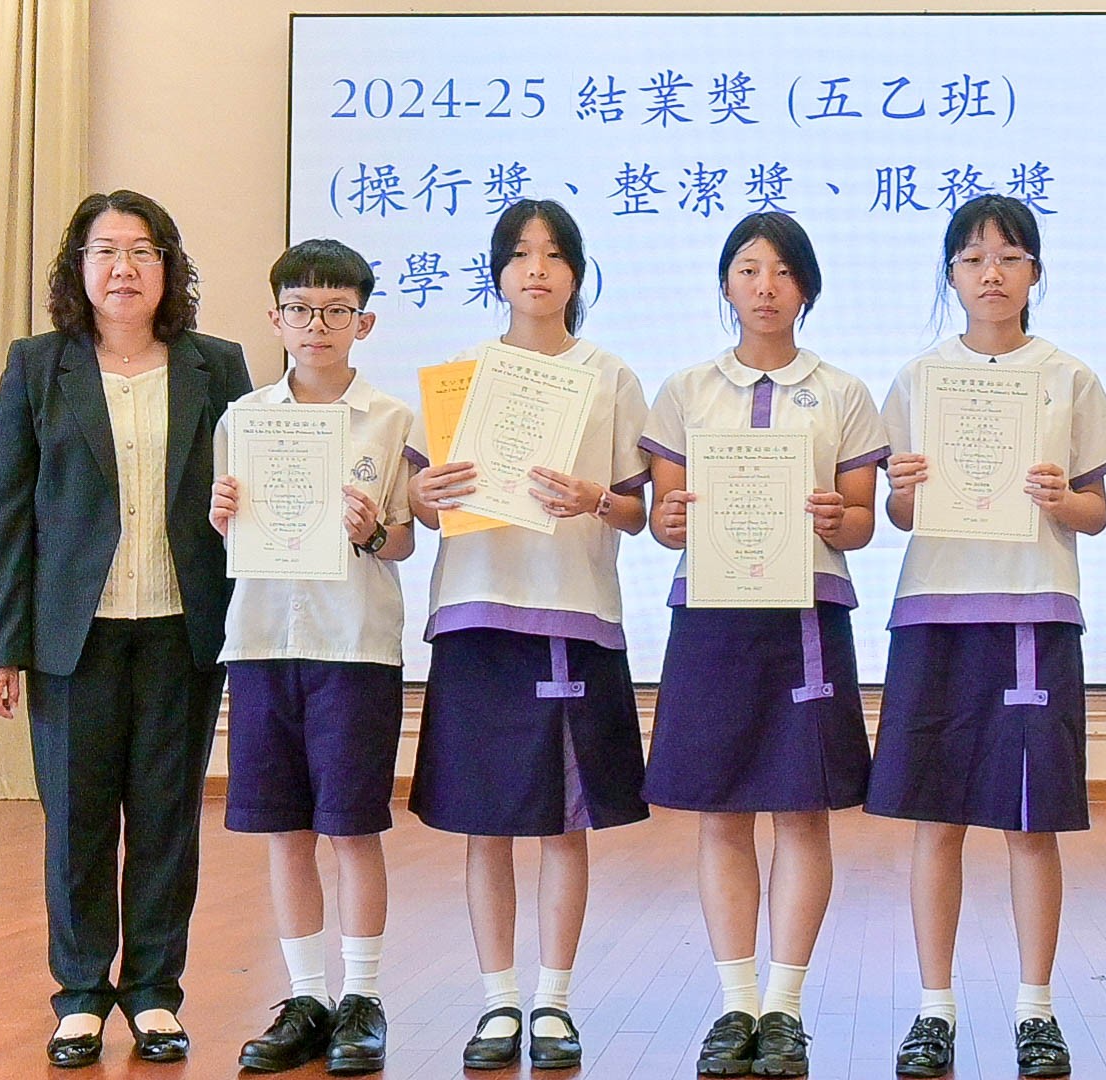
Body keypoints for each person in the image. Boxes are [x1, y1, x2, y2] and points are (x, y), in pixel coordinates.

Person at [0, 190, 252, 1067]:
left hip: (182, 628)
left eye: (142, 251)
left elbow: (254, 496)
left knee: (169, 820)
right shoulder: (37, 365)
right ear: (79, 269)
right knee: (77, 823)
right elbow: (6, 514)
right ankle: (81, 996)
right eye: (104, 251)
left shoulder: (217, 365)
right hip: (75, 636)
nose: (123, 268)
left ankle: (156, 994)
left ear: (168, 268)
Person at [866, 194, 1106, 1080]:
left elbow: (1096, 511)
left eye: (1011, 257)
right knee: (935, 821)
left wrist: (1062, 499)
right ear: (951, 274)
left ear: (1035, 273)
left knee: (1030, 823)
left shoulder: (1069, 376)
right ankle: (934, 1009)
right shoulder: (918, 378)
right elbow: (902, 515)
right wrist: (904, 490)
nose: (992, 274)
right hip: (936, 612)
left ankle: (1035, 1010)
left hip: (1032, 614)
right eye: (974, 258)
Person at [639, 211, 889, 1079]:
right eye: (748, 269)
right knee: (722, 810)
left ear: (806, 287)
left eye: (783, 271)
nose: (765, 286)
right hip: (712, 616)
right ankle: (735, 1002)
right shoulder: (685, 389)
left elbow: (860, 524)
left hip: (805, 615)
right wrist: (671, 519)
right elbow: (665, 523)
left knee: (802, 808)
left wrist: (836, 517)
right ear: (725, 285)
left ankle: (784, 1007)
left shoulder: (844, 391)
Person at [405, 199, 653, 1072]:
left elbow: (638, 512)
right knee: (487, 821)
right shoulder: (461, 378)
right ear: (497, 272)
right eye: (518, 254)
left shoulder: (610, 375)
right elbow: (423, 507)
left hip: (572, 614)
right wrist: (421, 497)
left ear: (577, 272)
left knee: (562, 821)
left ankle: (553, 1001)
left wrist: (595, 500)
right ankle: (497, 1001)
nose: (535, 269)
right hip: (477, 611)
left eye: (553, 254)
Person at [209, 239, 414, 1075]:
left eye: (336, 310)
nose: (316, 325)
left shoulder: (392, 420)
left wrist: (373, 529)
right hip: (262, 641)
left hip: (353, 644)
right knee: (284, 829)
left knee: (353, 827)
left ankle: (363, 998)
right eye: (300, 309)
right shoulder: (243, 420)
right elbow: (232, 531)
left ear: (364, 322)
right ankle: (305, 997)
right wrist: (223, 516)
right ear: (276, 319)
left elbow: (404, 539)